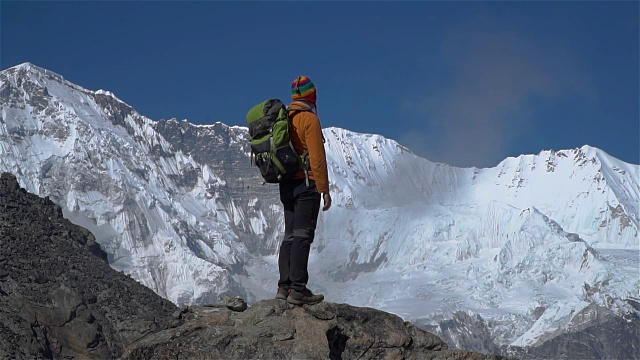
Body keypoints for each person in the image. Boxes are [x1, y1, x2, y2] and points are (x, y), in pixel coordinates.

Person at [275, 75, 332, 305]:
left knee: (289, 235)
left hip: (285, 183)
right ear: (312, 96)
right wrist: (324, 188)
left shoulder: (284, 118)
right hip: (306, 184)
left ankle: (283, 287)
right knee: (302, 236)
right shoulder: (309, 119)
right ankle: (298, 290)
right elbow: (317, 157)